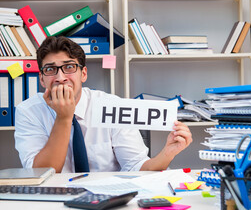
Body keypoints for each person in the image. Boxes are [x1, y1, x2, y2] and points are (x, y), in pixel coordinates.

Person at [15, 36, 192, 173]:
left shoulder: (112, 105)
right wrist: (64, 118)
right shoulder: (28, 112)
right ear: (42, 79)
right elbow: (40, 173)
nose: (60, 78)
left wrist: (168, 152)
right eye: (50, 69)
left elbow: (137, 167)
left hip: (108, 200)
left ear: (83, 74)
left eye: (69, 67)